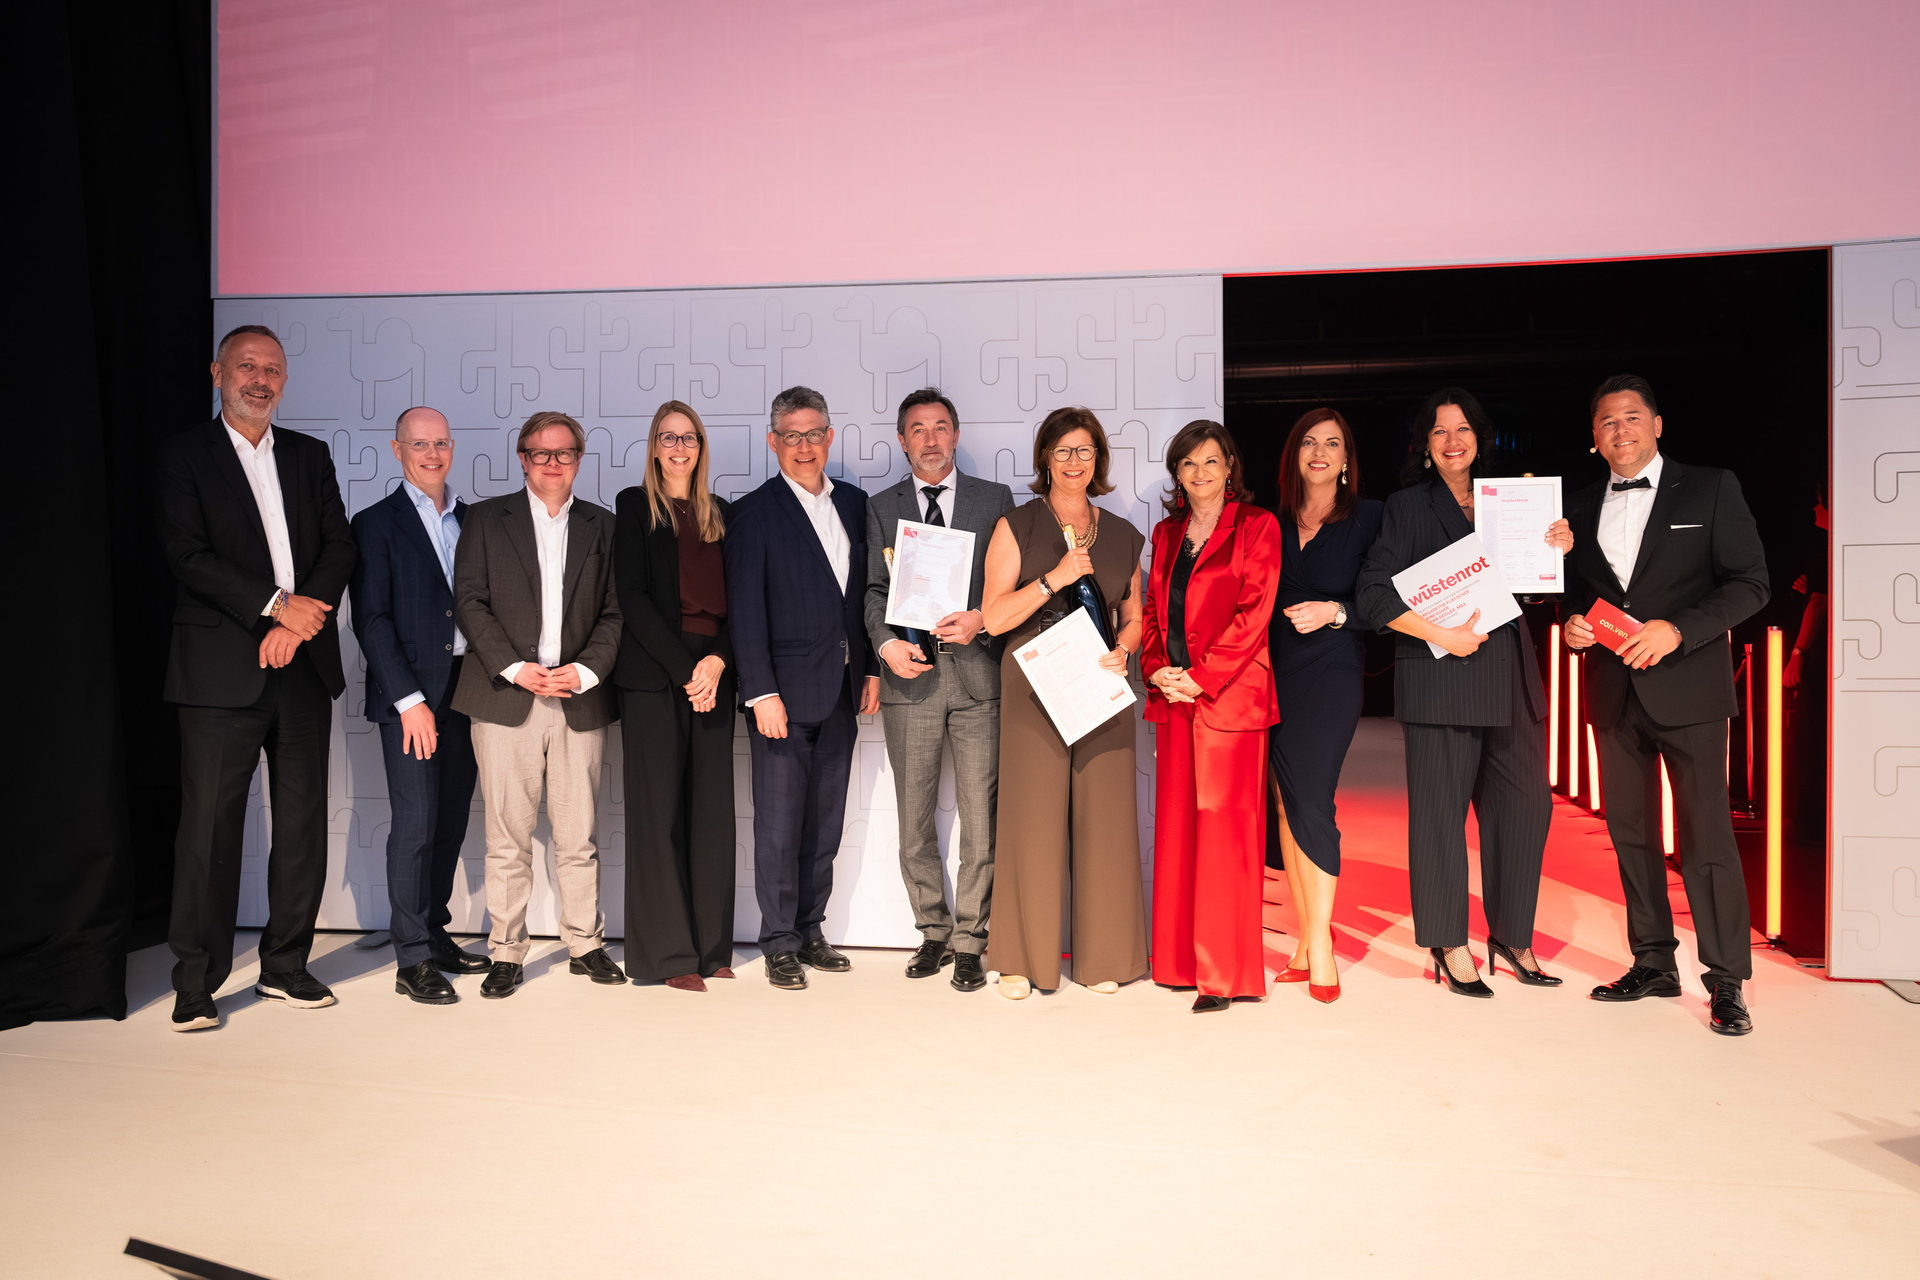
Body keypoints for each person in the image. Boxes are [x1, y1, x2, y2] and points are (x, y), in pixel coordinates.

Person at [156, 324, 356, 1031]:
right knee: (209, 831)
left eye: (272, 368)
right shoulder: (185, 456)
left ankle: (286, 966)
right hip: (218, 673)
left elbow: (339, 546)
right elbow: (187, 555)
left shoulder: (309, 456)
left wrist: (296, 626)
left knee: (302, 824)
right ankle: (196, 982)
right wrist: (274, 608)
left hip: (301, 669)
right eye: (246, 366)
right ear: (218, 374)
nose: (260, 379)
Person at [1563, 374, 1768, 1035]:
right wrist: (1572, 625)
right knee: (1630, 834)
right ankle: (1653, 962)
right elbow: (1578, 592)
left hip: (1690, 688)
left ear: (1656, 425)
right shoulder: (1580, 505)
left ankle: (1727, 979)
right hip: (1614, 690)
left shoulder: (1711, 487)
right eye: (1605, 422)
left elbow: (1752, 583)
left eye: (1630, 417)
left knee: (1707, 839)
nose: (1617, 430)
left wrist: (1679, 629)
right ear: (1593, 439)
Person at [1356, 388, 1573, 999]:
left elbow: (1534, 592)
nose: (1453, 441)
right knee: (1440, 820)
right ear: (1424, 448)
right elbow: (1374, 594)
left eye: (1463, 430)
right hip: (1440, 676)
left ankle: (1511, 935)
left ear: (1480, 437)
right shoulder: (1405, 508)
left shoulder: (1512, 504)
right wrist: (1439, 635)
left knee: (1525, 810)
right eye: (1439, 432)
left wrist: (1555, 553)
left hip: (1509, 675)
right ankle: (1448, 941)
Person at [452, 411, 624, 999]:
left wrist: (579, 672)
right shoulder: (483, 519)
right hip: (505, 697)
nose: (553, 463)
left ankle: (585, 945)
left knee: (580, 835)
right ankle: (507, 951)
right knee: (507, 837)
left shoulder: (604, 526)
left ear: (579, 460)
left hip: (576, 698)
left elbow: (614, 614)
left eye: (565, 453)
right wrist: (516, 668)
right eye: (541, 453)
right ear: (522, 458)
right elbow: (470, 601)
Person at [981, 406, 1148, 1000]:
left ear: (1098, 460)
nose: (1075, 462)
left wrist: (1125, 650)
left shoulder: (1125, 534)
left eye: (1085, 451)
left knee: (1105, 817)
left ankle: (1104, 953)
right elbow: (994, 616)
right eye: (1063, 451)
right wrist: (1053, 577)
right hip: (1034, 679)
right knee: (1031, 819)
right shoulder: (1017, 525)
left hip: (1100, 683)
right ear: (1044, 460)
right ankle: (1021, 960)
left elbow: (1135, 616)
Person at [726, 386, 881, 991]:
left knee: (826, 822)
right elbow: (744, 612)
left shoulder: (855, 504)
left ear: (830, 439)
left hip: (842, 690)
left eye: (814, 434)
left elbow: (865, 596)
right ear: (773, 443)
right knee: (780, 824)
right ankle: (779, 940)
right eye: (791, 436)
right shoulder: (753, 513)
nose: (804, 446)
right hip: (781, 700)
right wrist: (760, 692)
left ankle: (812, 929)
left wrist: (868, 668)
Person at [865, 389, 1015, 993]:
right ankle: (932, 930)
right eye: (918, 430)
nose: (930, 439)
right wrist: (884, 644)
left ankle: (972, 940)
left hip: (978, 675)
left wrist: (981, 614)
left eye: (941, 427)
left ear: (956, 434)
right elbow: (874, 590)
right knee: (914, 816)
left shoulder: (994, 500)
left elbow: (1013, 584)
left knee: (982, 816)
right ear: (902, 440)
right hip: (911, 679)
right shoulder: (881, 506)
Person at [348, 406, 489, 1005]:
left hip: (471, 688)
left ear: (452, 448)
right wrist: (409, 700)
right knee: (415, 824)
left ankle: (434, 933)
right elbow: (371, 619)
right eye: (419, 444)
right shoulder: (375, 523)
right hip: (412, 695)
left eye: (441, 443)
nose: (432, 454)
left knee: (451, 820)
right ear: (397, 449)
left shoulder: (474, 521)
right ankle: (411, 958)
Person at [1140, 420, 1283, 1013]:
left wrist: (1200, 677)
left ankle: (1223, 975)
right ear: (1177, 473)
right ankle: (1177, 963)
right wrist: (1156, 669)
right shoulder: (1167, 531)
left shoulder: (1257, 525)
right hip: (1175, 701)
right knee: (1177, 835)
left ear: (1230, 468)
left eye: (1210, 462)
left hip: (1228, 700)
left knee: (1226, 840)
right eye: (1188, 464)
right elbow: (1153, 608)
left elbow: (1254, 613)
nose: (1199, 474)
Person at [612, 401, 737, 992]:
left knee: (710, 814)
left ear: (700, 445)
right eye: (668, 437)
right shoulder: (634, 507)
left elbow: (744, 602)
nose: (679, 447)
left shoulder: (723, 514)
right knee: (658, 814)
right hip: (656, 676)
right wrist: (688, 669)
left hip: (714, 670)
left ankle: (711, 948)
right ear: (654, 446)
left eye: (688, 438)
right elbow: (632, 598)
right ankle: (666, 956)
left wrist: (716, 662)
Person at [1266, 408, 1383, 1001]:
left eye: (1332, 443)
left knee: (1313, 799)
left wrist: (1336, 612)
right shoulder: (1271, 519)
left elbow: (1393, 602)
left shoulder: (1370, 518)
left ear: (1345, 458)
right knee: (1286, 806)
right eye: (1309, 441)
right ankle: (1306, 940)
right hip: (1271, 672)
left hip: (1333, 672)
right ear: (1295, 454)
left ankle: (1324, 949)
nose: (1319, 451)